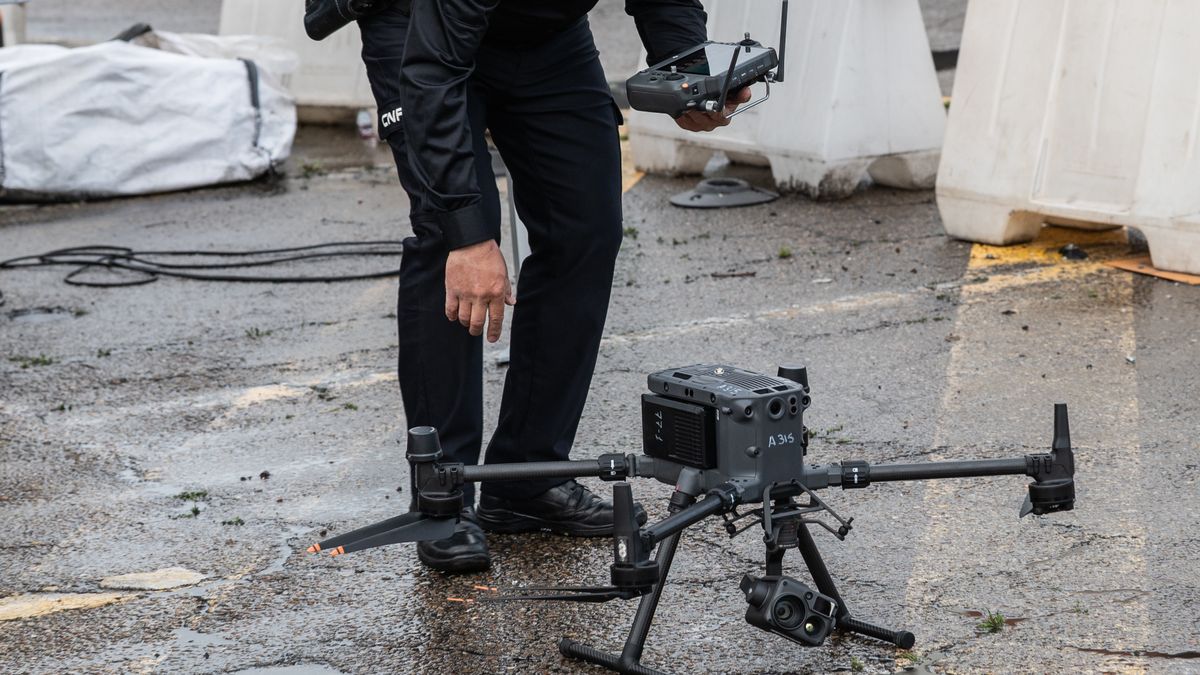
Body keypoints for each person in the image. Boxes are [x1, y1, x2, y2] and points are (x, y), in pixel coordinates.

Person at [357, 0, 749, 573]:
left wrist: (685, 70)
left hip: (545, 32)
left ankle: (527, 477)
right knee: (447, 235)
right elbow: (434, 72)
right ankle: (441, 495)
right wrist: (469, 237)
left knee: (586, 228)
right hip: (418, 26)